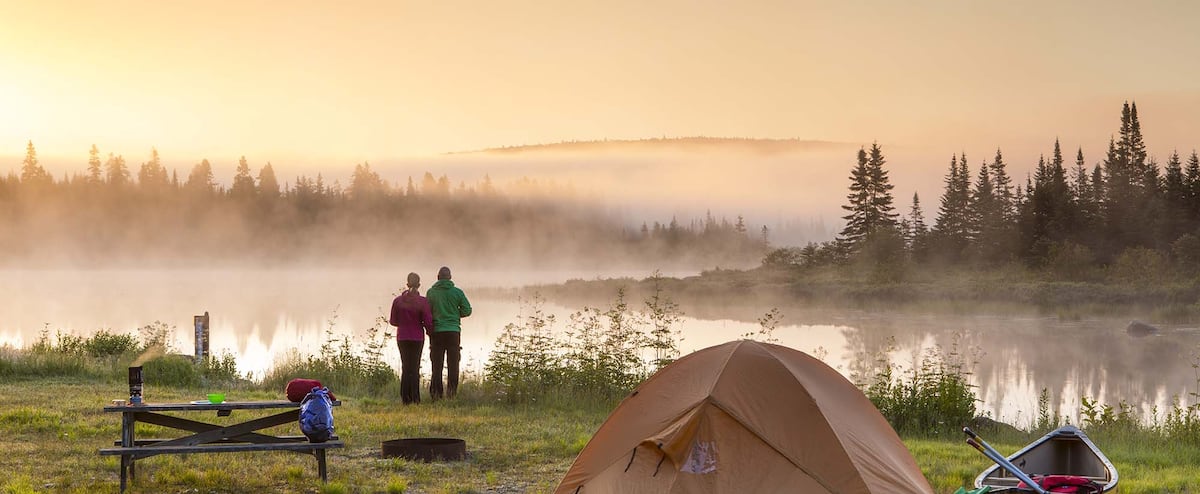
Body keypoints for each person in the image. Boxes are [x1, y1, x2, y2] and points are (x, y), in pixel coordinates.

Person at [426, 266, 471, 399]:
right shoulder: (457, 292)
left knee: (437, 364)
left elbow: (427, 312)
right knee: (453, 364)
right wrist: (455, 315)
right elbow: (467, 310)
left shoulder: (431, 293)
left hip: (437, 332)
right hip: (453, 332)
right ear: (450, 278)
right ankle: (451, 394)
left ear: (438, 277)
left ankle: (436, 394)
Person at [389, 272, 432, 405]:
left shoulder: (397, 301)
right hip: (417, 338)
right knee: (415, 367)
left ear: (407, 284)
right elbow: (428, 321)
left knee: (405, 367)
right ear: (419, 285)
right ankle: (415, 398)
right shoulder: (423, 302)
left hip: (402, 337)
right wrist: (431, 333)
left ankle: (405, 398)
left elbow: (393, 321)